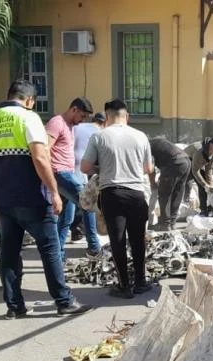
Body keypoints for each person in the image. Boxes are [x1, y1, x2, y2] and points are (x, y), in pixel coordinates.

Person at [0, 79, 93, 319]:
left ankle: (14, 306)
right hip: (32, 199)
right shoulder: (29, 118)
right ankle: (63, 300)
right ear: (29, 100)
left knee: (9, 252)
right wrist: (53, 191)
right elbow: (40, 158)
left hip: (2, 200)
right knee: (50, 248)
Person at [81, 99, 155, 299]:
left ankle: (124, 285)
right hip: (137, 193)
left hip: (112, 193)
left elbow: (85, 168)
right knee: (138, 239)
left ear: (106, 116)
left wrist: (103, 168)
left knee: (118, 240)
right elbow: (148, 169)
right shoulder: (141, 136)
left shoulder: (99, 136)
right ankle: (140, 281)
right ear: (127, 116)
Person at [46, 97, 99, 261]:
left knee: (66, 219)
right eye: (82, 116)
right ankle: (94, 249)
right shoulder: (57, 123)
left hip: (67, 173)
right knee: (87, 203)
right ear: (74, 110)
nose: (82, 120)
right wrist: (51, 179)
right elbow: (45, 149)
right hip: (60, 173)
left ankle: (57, 255)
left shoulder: (70, 126)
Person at [70, 112, 106, 243]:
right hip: (82, 168)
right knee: (86, 202)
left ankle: (75, 231)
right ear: (104, 122)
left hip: (66, 167)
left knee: (70, 203)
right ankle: (93, 244)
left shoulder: (78, 126)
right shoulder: (100, 133)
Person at [148, 137, 191, 230]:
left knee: (164, 194)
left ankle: (165, 224)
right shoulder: (157, 142)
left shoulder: (147, 146)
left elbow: (150, 168)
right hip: (186, 161)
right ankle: (172, 222)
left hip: (174, 163)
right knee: (177, 193)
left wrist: (153, 183)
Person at [188, 136, 213, 216]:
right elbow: (195, 171)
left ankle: (210, 206)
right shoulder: (199, 152)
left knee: (208, 187)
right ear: (212, 145)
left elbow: (209, 170)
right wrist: (205, 185)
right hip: (187, 161)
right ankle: (203, 210)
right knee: (201, 186)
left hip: (198, 164)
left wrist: (210, 185)